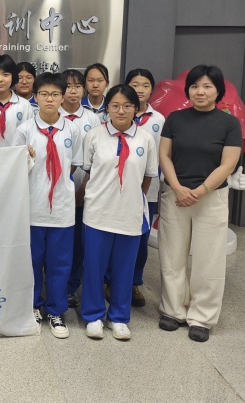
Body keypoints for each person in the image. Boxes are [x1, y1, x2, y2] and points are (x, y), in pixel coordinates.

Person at [157, 65, 242, 342]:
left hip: (211, 197)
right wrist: (178, 188)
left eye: (207, 86)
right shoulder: (175, 119)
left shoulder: (229, 123)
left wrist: (201, 190)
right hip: (175, 194)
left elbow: (228, 164)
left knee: (209, 257)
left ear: (218, 91)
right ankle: (172, 310)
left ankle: (202, 317)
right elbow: (164, 155)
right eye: (194, 86)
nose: (200, 91)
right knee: (172, 254)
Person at [80, 84, 158, 341]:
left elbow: (147, 177)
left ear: (135, 108)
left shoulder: (145, 139)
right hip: (98, 213)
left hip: (130, 214)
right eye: (115, 105)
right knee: (94, 268)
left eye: (127, 106)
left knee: (124, 269)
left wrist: (131, 198)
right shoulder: (94, 135)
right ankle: (93, 315)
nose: (121, 111)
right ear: (107, 109)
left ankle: (119, 317)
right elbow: (90, 172)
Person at [12, 73, 82, 338]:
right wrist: (27, 159)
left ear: (63, 97)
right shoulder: (25, 130)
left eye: (55, 94)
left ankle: (56, 310)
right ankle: (32, 306)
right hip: (32, 207)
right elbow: (14, 167)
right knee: (31, 261)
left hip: (61, 209)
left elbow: (72, 165)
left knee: (59, 264)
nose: (49, 99)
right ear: (35, 97)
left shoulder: (72, 130)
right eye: (44, 94)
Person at [123, 68, 165, 307]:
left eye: (145, 85)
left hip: (147, 191)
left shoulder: (158, 120)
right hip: (117, 189)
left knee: (140, 238)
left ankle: (134, 282)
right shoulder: (115, 114)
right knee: (116, 236)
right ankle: (111, 280)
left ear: (152, 90)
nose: (140, 89)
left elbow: (162, 155)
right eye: (135, 84)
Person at [61, 68, 102, 308]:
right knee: (57, 242)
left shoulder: (92, 119)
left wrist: (83, 189)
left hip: (82, 191)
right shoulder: (50, 114)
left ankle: (71, 287)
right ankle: (52, 285)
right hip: (54, 192)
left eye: (77, 86)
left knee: (77, 242)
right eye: (67, 86)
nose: (72, 91)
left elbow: (96, 158)